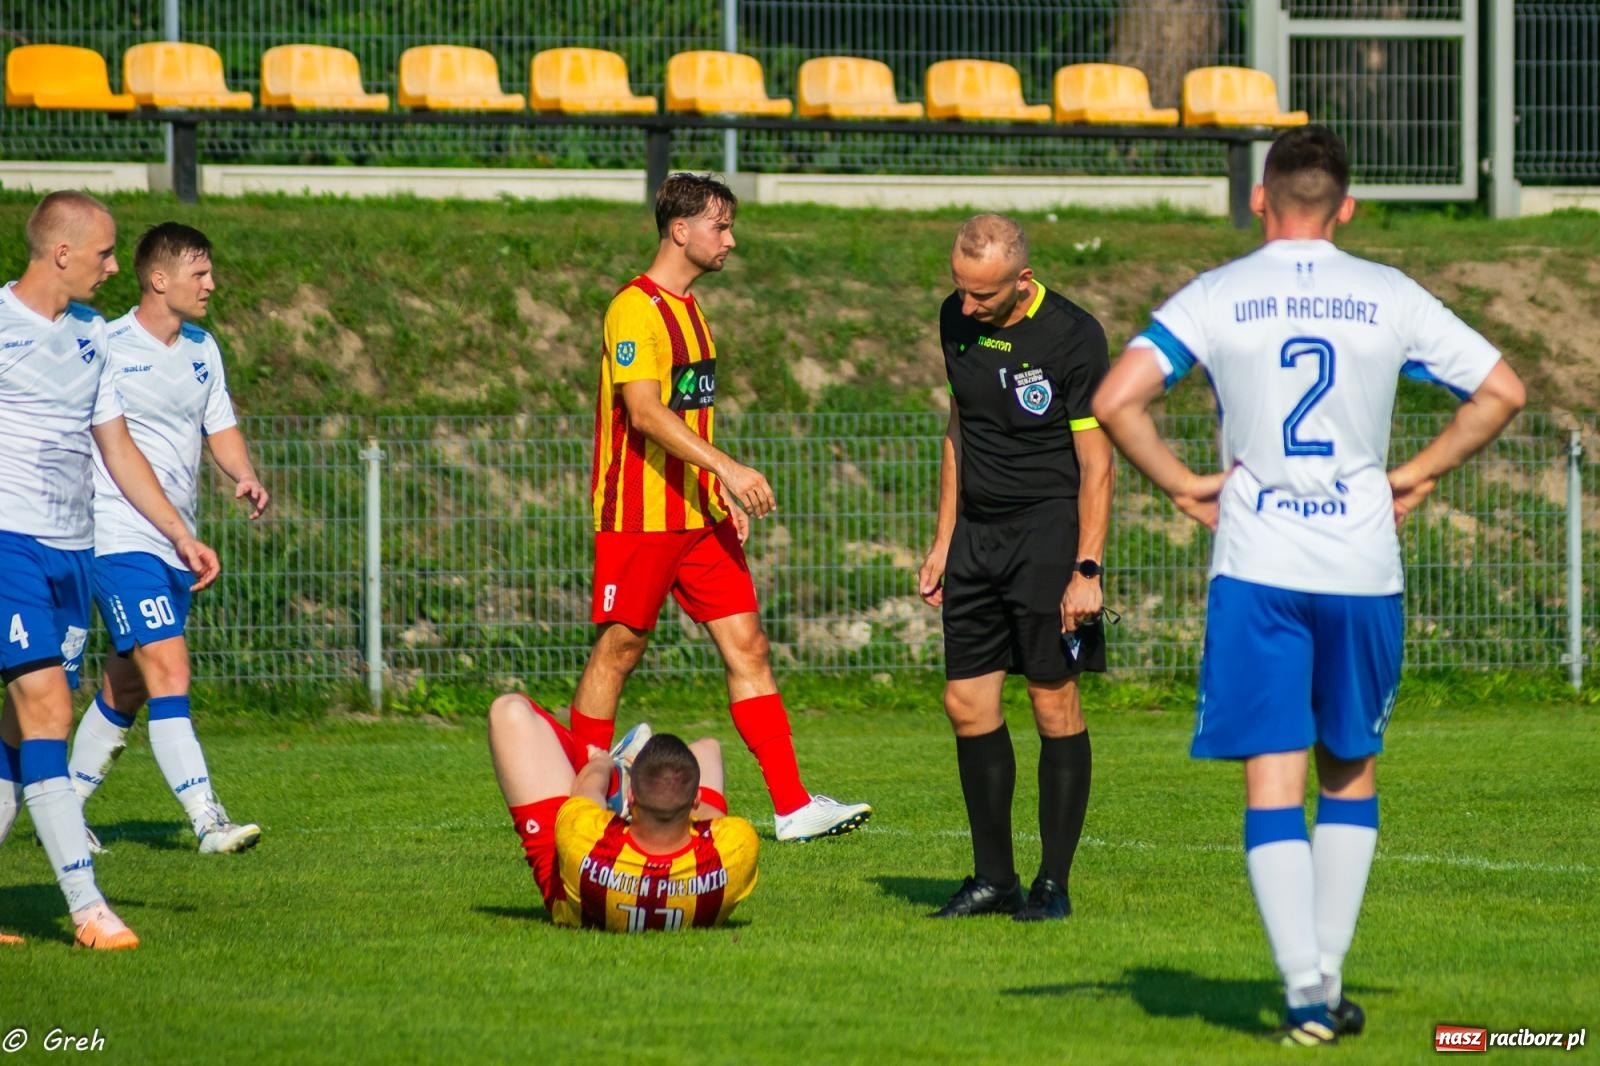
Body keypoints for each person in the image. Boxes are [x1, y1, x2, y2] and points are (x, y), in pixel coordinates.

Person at [1091, 126, 1525, 1045]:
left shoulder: (1217, 295)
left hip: (1259, 569)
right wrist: (1419, 472)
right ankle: (1326, 979)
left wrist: (1177, 484)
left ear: (1259, 198)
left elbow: (1115, 397)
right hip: (1363, 567)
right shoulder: (1387, 293)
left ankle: (1303, 997)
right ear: (1347, 208)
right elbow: (1502, 391)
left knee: (1272, 779)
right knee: (1351, 768)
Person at [573, 171, 870, 843]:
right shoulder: (634, 309)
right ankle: (577, 805)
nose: (730, 240)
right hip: (641, 516)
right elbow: (645, 415)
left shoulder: (692, 310)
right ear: (681, 231)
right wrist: (730, 471)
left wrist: (714, 492)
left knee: (750, 646)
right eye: (720, 226)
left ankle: (793, 808)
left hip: (698, 517)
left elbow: (689, 420)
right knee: (619, 651)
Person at [0, 191, 221, 950]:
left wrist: (178, 533)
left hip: (72, 550)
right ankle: (88, 907)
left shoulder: (93, 337)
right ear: (60, 253)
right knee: (50, 708)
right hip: (8, 544)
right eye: (101, 252)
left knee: (17, 730)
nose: (109, 264)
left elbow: (117, 448)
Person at [917, 214, 1113, 921]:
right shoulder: (956, 319)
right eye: (960, 292)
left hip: (1049, 538)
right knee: (966, 704)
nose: (967, 308)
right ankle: (993, 878)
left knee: (1051, 701)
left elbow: (1097, 463)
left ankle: (1052, 885)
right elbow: (959, 429)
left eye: (984, 297)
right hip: (976, 537)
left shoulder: (1073, 336)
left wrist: (1086, 568)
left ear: (1023, 281)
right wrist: (944, 539)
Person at [67, 222, 269, 855]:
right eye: (199, 274)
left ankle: (65, 807)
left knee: (126, 683)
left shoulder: (204, 349)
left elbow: (222, 426)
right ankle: (207, 818)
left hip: (174, 541)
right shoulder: (107, 344)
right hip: (118, 534)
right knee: (168, 666)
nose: (212, 284)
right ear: (160, 280)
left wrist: (243, 473)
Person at [487, 693, 758, 931]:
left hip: (572, 895)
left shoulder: (582, 836)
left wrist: (601, 762)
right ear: (695, 800)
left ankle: (620, 772)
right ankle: (627, 772)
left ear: (631, 798)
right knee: (707, 748)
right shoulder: (739, 846)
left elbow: (587, 787)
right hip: (659, 841)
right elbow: (713, 815)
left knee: (508, 709)